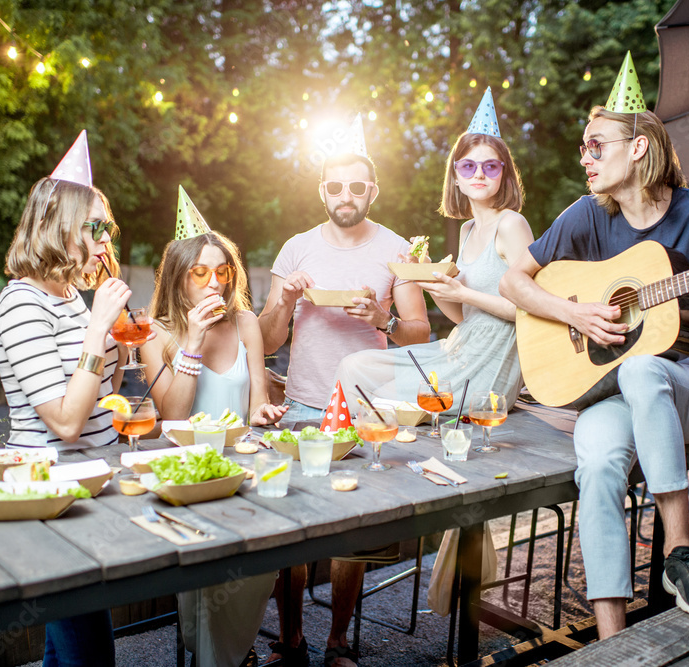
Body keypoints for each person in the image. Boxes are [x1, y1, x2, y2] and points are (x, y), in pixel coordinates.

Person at [499, 53, 689, 639]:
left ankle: (680, 551)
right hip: (609, 390)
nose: (584, 157)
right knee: (599, 467)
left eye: (595, 144)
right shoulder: (585, 216)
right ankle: (612, 642)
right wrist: (573, 310)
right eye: (582, 147)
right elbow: (514, 281)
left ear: (638, 148)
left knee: (645, 368)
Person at [258, 116, 430, 667]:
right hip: (303, 404)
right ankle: (291, 640)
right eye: (336, 186)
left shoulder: (396, 247)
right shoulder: (296, 248)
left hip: (365, 408)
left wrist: (382, 317)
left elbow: (420, 332)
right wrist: (285, 300)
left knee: (352, 537)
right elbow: (265, 339)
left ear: (372, 192)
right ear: (322, 191)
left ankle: (337, 642)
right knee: (291, 535)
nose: (346, 195)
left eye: (358, 186)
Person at [0, 131, 129, 665]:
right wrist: (96, 332)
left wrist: (115, 341)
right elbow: (66, 421)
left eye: (107, 227)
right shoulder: (22, 305)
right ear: (58, 227)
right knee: (87, 655)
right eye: (94, 228)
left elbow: (102, 400)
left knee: (72, 649)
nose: (105, 241)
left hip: (87, 482)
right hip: (50, 492)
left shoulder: (72, 297)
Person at [142, 187, 286, 667]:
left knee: (263, 559)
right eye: (199, 273)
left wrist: (263, 413)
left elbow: (259, 403)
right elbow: (173, 419)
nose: (213, 283)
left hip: (245, 466)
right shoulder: (156, 332)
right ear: (179, 278)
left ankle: (230, 650)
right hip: (190, 472)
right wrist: (194, 341)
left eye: (221, 272)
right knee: (207, 571)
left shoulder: (246, 322)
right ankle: (221, 655)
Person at [336, 87, 533, 420]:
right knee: (354, 366)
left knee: (379, 402)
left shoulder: (511, 224)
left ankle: (385, 459)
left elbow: (531, 310)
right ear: (456, 177)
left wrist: (463, 291)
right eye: (468, 166)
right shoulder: (467, 230)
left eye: (491, 167)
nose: (479, 174)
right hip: (457, 351)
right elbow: (462, 316)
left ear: (505, 173)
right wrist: (428, 277)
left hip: (490, 369)